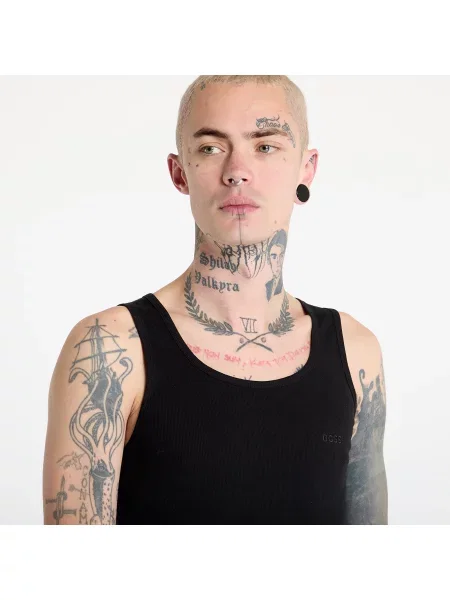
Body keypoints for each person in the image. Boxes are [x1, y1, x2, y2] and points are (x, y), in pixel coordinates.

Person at [43, 75, 388, 525]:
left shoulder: (356, 350)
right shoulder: (108, 349)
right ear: (179, 173)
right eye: (210, 147)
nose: (237, 170)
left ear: (307, 168)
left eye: (265, 146)